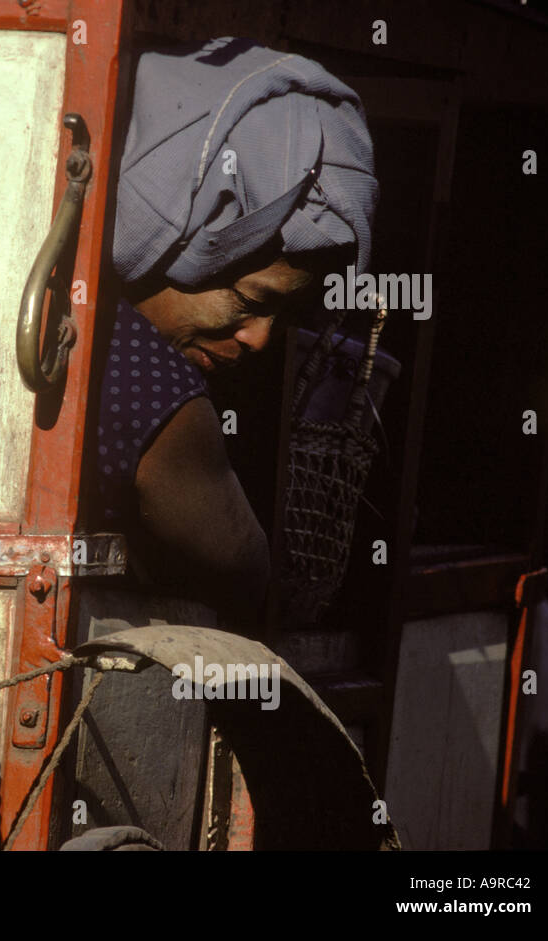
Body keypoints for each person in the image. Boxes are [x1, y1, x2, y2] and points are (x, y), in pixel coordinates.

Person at [97, 37, 379, 626]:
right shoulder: (144, 376)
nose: (258, 340)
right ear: (172, 239)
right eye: (250, 301)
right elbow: (241, 563)